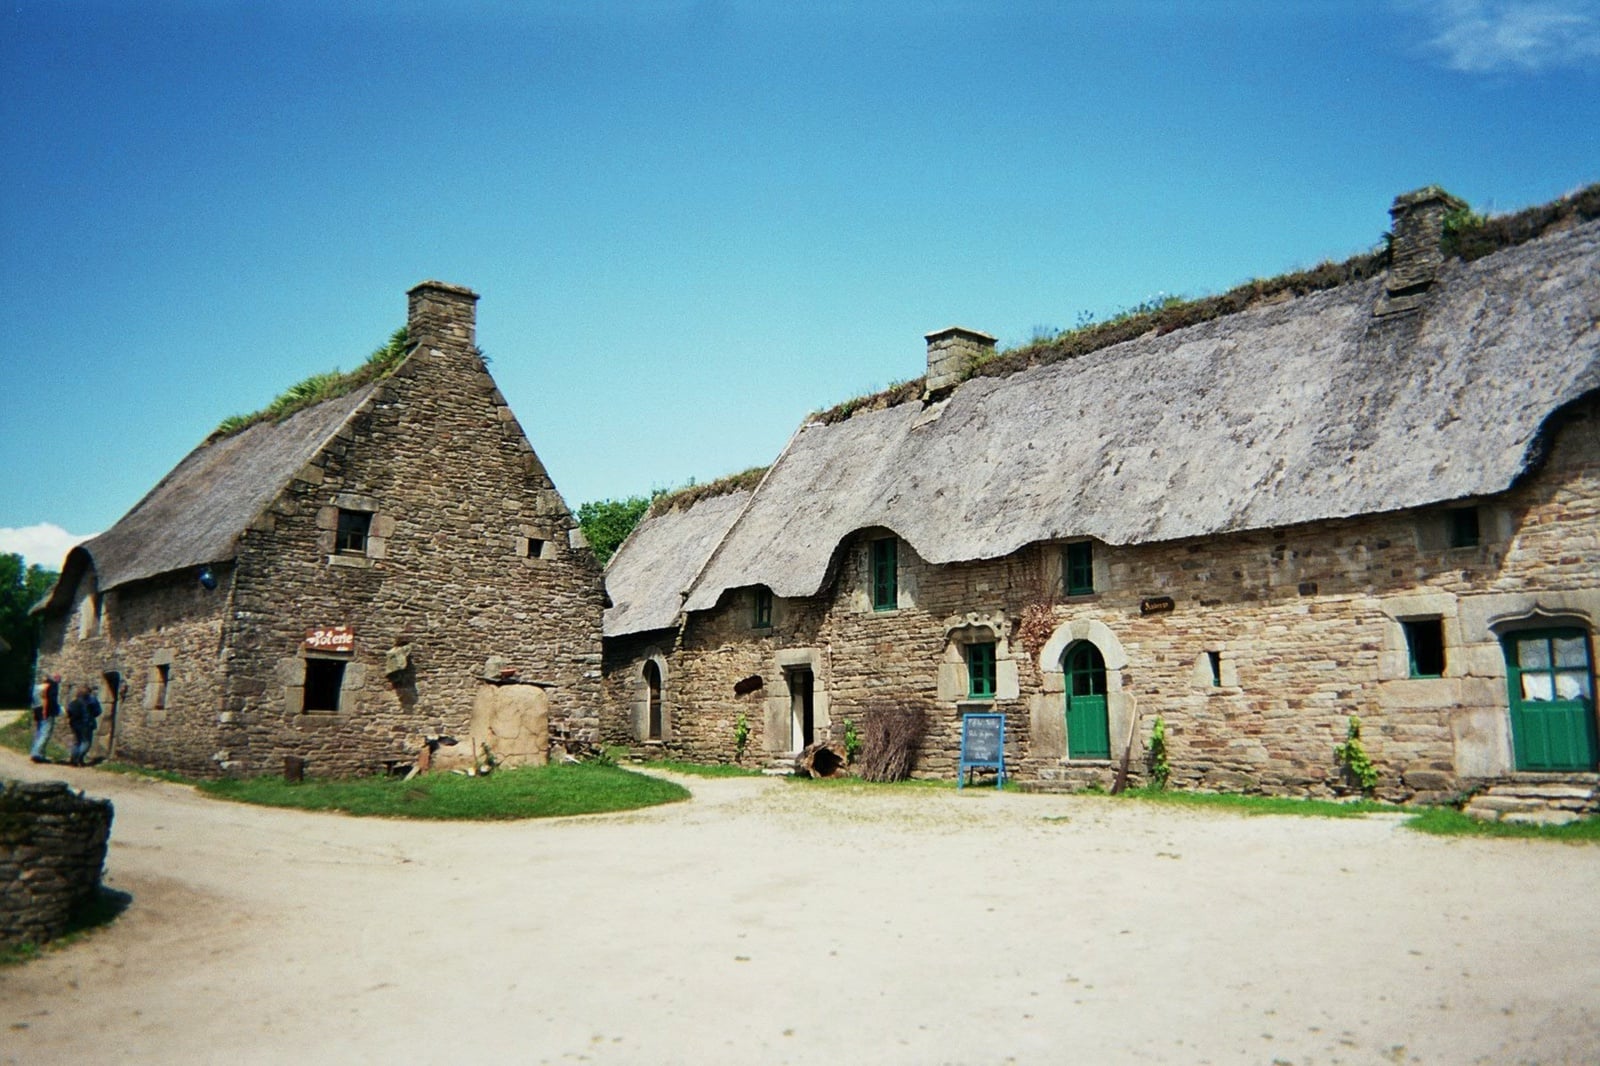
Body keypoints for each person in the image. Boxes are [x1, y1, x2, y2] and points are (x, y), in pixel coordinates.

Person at [66, 684, 102, 766]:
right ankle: (79, 758)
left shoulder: (74, 701)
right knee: (86, 742)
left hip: (75, 724)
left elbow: (69, 712)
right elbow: (98, 711)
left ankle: (73, 759)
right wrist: (92, 715)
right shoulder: (92, 700)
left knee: (77, 742)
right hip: (87, 723)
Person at [29, 673, 62, 763]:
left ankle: (36, 753)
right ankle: (37, 754)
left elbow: (34, 701)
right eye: (58, 678)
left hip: (37, 712)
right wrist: (51, 711)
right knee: (45, 734)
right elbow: (48, 699)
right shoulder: (52, 686)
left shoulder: (38, 687)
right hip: (47, 712)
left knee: (39, 733)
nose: (60, 680)